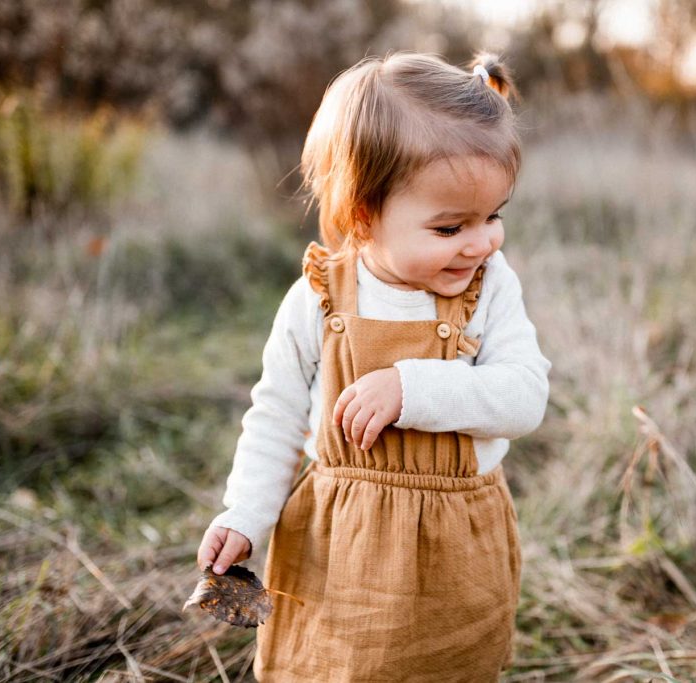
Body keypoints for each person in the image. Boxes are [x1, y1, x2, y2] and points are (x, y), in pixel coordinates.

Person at [196, 50, 551, 681]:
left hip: (455, 546)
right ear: (364, 216)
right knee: (332, 665)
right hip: (340, 547)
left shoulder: (490, 287)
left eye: (494, 216)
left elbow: (525, 397)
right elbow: (276, 415)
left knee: (450, 665)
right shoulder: (318, 297)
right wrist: (245, 514)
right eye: (450, 228)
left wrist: (414, 387)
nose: (482, 242)